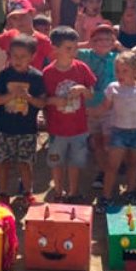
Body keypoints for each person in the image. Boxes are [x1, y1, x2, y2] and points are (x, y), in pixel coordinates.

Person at [93, 51, 136, 209]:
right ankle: (106, 196)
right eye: (117, 71)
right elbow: (104, 107)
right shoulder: (113, 88)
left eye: (124, 71)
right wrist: (87, 113)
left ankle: (131, 192)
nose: (120, 74)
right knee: (112, 165)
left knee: (133, 164)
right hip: (118, 132)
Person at [0, 35, 47, 207]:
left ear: (32, 57)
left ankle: (27, 192)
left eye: (23, 56)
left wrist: (28, 97)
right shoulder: (4, 75)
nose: (18, 60)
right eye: (14, 56)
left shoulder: (36, 77)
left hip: (27, 129)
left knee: (25, 163)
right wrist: (11, 95)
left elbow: (42, 103)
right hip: (5, 128)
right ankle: (3, 193)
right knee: (4, 163)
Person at [42, 26, 96, 202]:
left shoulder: (82, 68)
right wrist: (54, 101)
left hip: (79, 127)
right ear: (55, 48)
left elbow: (91, 93)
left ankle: (73, 192)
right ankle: (58, 192)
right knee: (56, 161)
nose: (73, 52)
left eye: (75, 47)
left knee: (75, 162)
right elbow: (42, 100)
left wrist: (82, 89)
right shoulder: (47, 73)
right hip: (56, 129)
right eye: (68, 48)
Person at [79, 23, 119, 193]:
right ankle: (102, 172)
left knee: (109, 141)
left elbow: (133, 55)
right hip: (91, 107)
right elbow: (67, 48)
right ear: (92, 42)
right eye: (98, 39)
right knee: (97, 142)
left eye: (108, 39)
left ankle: (112, 171)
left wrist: (118, 45)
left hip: (111, 107)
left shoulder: (116, 57)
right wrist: (86, 44)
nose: (103, 43)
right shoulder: (85, 55)